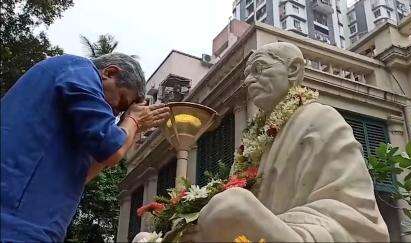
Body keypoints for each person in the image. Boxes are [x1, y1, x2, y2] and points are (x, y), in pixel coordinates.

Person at [183, 42, 389, 242]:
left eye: (259, 68)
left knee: (232, 205)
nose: (248, 81)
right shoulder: (251, 141)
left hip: (311, 232)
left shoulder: (320, 119)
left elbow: (353, 213)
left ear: (293, 69)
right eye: (247, 75)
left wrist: (259, 220)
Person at [1, 53, 171, 242]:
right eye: (121, 102)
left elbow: (83, 174)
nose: (114, 113)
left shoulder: (70, 117)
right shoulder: (81, 71)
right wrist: (133, 120)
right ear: (110, 72)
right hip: (17, 221)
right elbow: (111, 149)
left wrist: (129, 125)